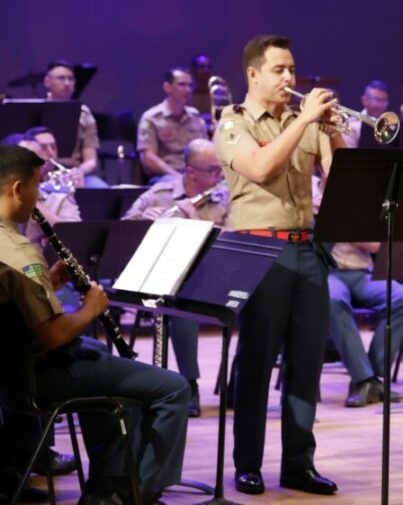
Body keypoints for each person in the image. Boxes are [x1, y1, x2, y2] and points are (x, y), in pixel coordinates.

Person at [0, 144, 190, 504]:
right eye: (37, 187)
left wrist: (51, 284)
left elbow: (15, 307)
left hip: (11, 375)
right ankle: (135, 492)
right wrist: (91, 308)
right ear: (17, 189)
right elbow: (54, 335)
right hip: (39, 373)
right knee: (173, 388)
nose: (38, 198)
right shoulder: (19, 252)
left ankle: (106, 487)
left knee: (103, 357)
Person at [214, 34, 343, 496]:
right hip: (258, 250)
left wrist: (331, 129)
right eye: (279, 70)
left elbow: (343, 178)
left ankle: (298, 464)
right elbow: (262, 168)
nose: (290, 78)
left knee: (307, 362)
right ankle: (247, 463)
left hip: (307, 247)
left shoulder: (305, 121)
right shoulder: (233, 123)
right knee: (257, 360)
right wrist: (304, 120)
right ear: (253, 74)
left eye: (292, 69)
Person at [123, 138, 228, 417]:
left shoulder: (224, 197)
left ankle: (240, 384)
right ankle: (189, 383)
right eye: (214, 170)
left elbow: (234, 238)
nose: (220, 177)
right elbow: (122, 232)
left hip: (211, 276)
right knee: (181, 303)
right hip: (164, 278)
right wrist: (144, 219)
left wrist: (197, 224)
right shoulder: (160, 193)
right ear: (191, 171)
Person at [326, 242, 403, 407]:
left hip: (363, 273)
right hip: (327, 272)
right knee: (333, 300)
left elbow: (375, 245)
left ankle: (373, 377)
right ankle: (363, 379)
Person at [42, 60, 106, 188]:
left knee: (99, 187)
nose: (67, 83)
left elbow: (91, 160)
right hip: (42, 174)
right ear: (47, 82)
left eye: (70, 79)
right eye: (61, 78)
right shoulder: (34, 110)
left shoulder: (84, 113)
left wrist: (78, 172)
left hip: (75, 172)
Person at [137, 68, 209, 180]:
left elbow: (207, 150)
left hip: (196, 174)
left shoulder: (195, 116)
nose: (187, 90)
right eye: (182, 85)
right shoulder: (151, 118)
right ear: (167, 87)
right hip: (167, 175)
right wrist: (176, 176)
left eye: (190, 85)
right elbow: (148, 157)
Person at [343, 80, 390, 148]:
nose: (379, 105)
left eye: (383, 100)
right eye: (375, 99)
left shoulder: (390, 124)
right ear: (364, 100)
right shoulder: (352, 125)